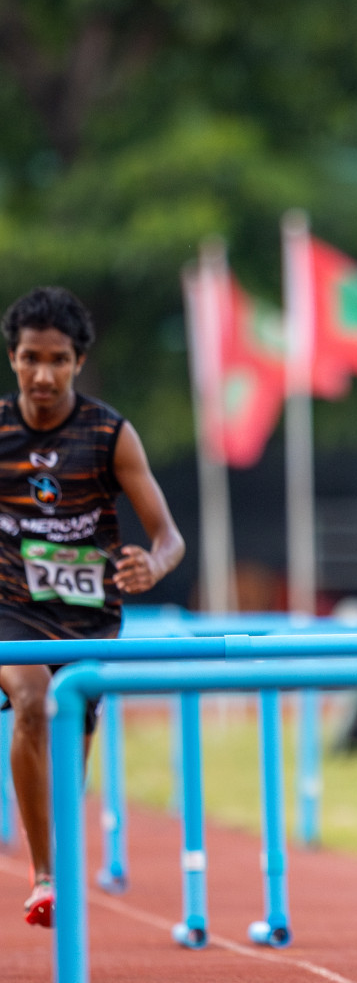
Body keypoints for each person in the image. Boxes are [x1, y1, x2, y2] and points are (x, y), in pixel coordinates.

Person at [0, 287, 185, 928]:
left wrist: (153, 564)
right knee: (30, 699)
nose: (42, 375)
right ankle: (45, 876)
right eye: (30, 358)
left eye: (57, 360)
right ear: (13, 358)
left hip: (87, 618)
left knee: (69, 735)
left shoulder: (110, 434)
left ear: (78, 362)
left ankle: (58, 854)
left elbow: (169, 537)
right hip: (13, 607)